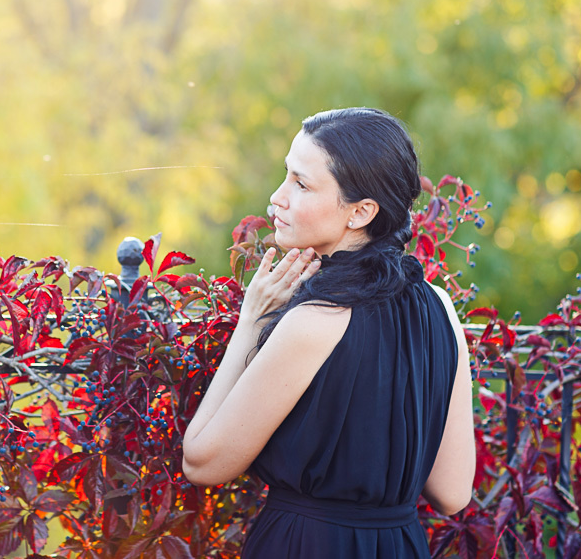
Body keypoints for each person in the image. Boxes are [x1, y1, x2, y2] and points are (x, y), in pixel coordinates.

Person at [181, 107, 475, 557]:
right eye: (286, 176)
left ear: (360, 212)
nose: (277, 198)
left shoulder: (317, 320)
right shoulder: (441, 307)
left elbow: (202, 462)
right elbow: (453, 493)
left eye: (300, 184)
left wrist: (252, 321)